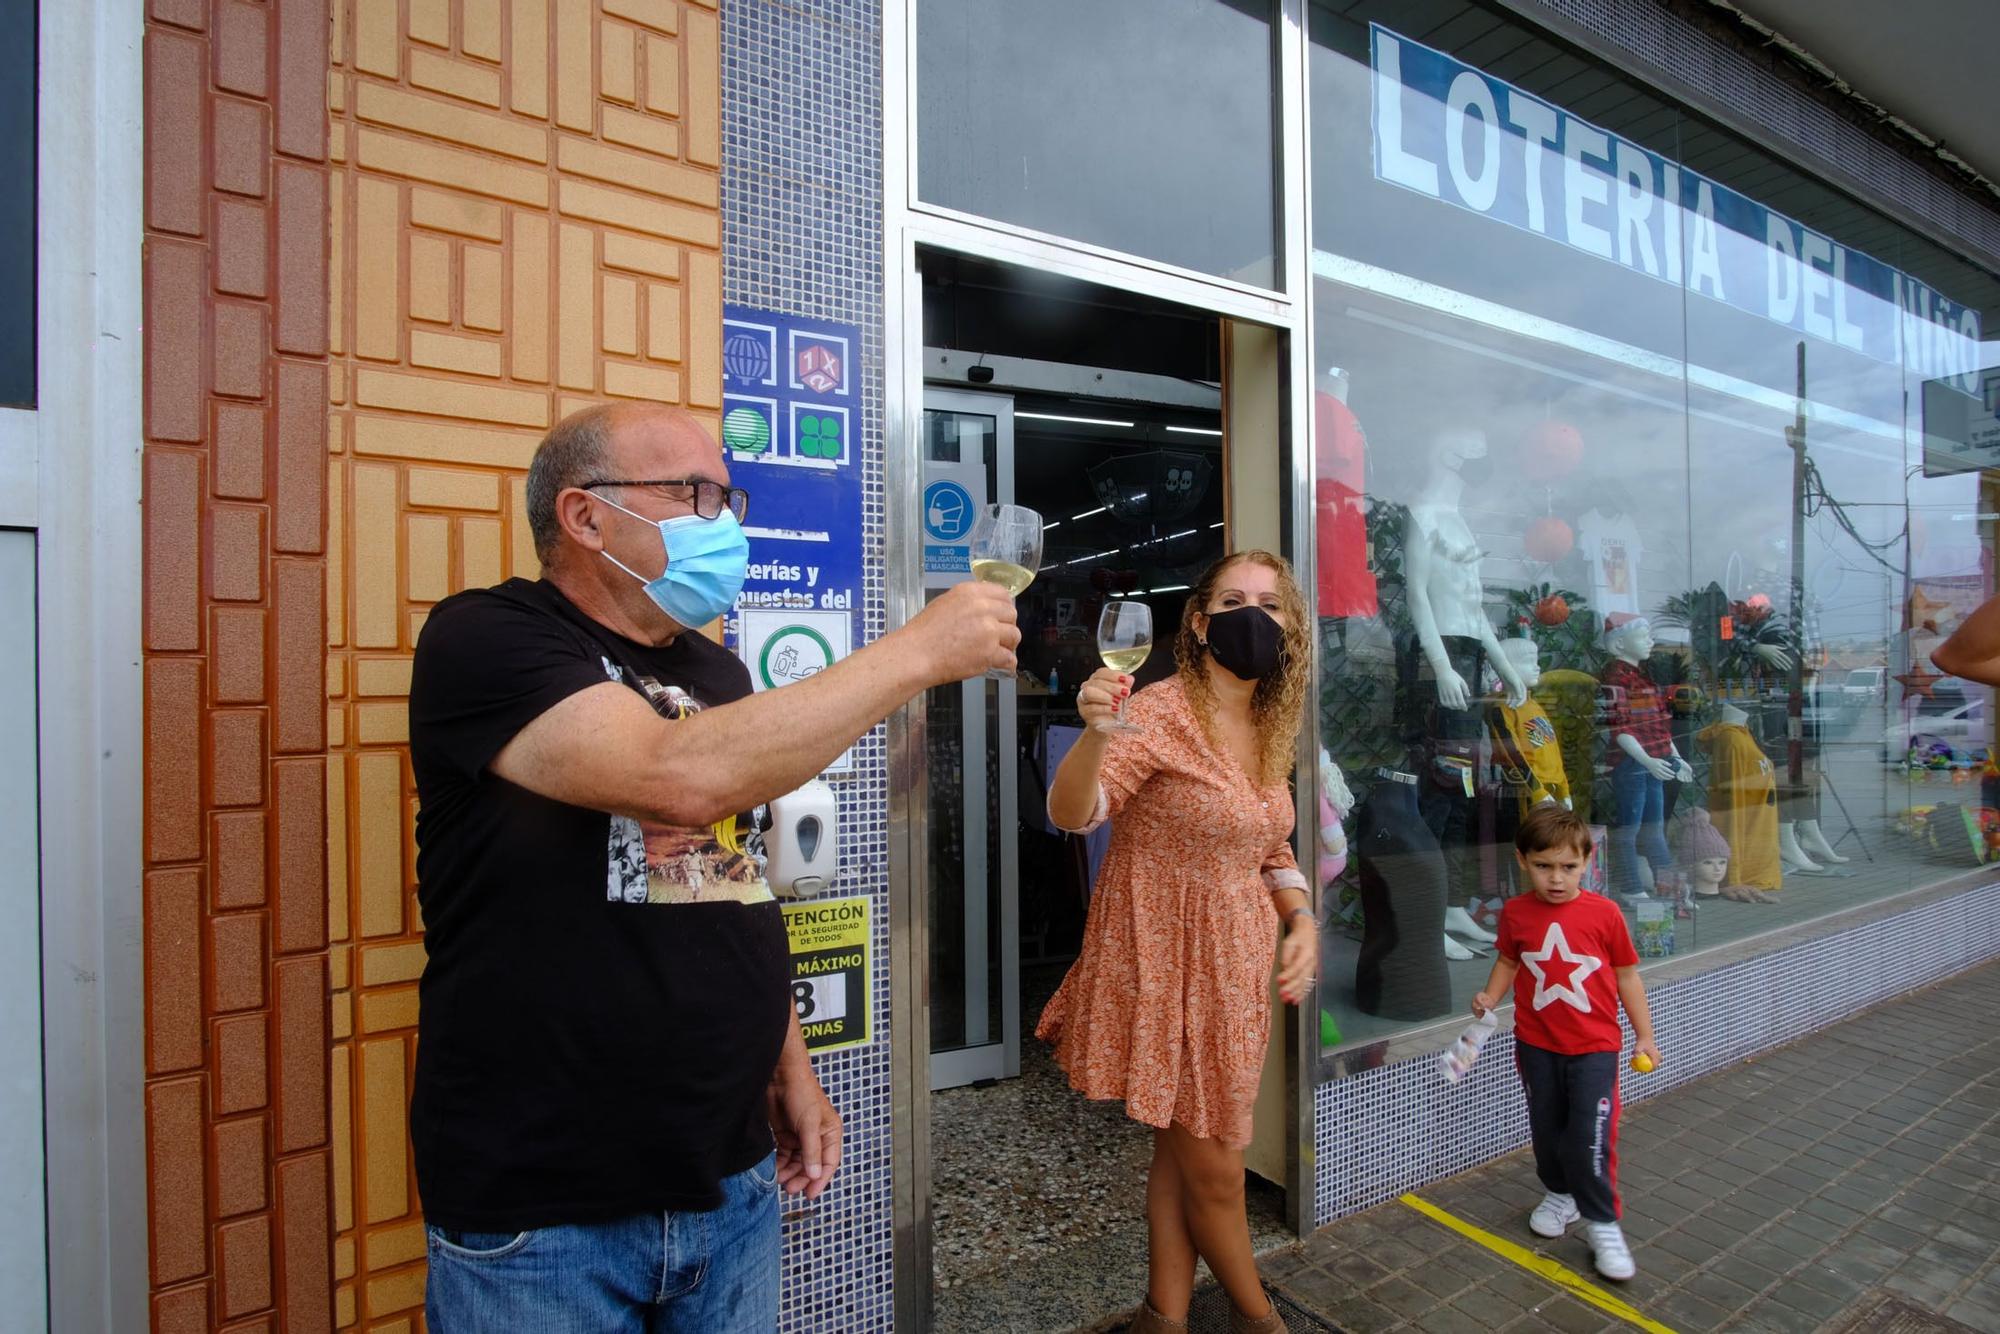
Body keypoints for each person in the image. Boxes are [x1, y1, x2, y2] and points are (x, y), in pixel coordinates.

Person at [407, 403, 1019, 1332]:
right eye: (693, 494)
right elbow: (673, 779)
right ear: (584, 516)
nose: (723, 519)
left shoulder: (716, 675)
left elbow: (727, 883)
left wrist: (793, 1073)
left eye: (727, 497)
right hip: (546, 1214)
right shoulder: (487, 639)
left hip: (727, 1179)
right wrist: (917, 652)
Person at [1041, 551, 1317, 1334]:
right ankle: (1262, 1321)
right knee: (1219, 1170)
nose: (1253, 616)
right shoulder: (1159, 710)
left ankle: (1165, 1314)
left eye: (1270, 602)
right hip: (1163, 961)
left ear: (1291, 625)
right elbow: (1078, 812)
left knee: (1183, 1146)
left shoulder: (1271, 721)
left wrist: (1302, 920)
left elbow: (1272, 850)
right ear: (1199, 624)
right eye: (1233, 600)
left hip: (1235, 965)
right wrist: (1093, 736)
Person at [1471, 804, 1662, 1283]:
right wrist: (1489, 997)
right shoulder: (1515, 914)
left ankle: (1602, 1222)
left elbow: (1627, 976)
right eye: (1543, 866)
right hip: (1536, 1046)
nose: (1556, 878)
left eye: (1568, 867)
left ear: (1587, 861)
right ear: (1522, 860)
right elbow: (1509, 963)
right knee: (1547, 1131)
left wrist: (1646, 1034)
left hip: (1596, 1048)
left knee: (1588, 1139)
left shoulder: (1606, 914)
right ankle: (1560, 1194)